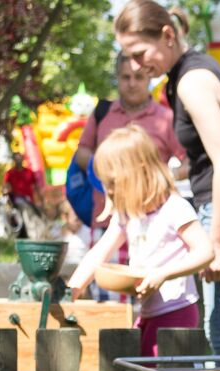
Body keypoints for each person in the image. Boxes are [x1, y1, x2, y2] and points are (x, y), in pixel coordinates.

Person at [115, 0, 220, 354]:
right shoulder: (183, 77)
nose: (137, 65)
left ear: (167, 35)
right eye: (129, 57)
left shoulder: (192, 81)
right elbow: (206, 159)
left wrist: (216, 243)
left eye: (140, 53)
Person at [67, 125, 214, 357]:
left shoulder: (174, 208)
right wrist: (71, 290)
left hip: (176, 311)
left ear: (139, 172)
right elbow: (99, 253)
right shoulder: (129, 213)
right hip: (148, 311)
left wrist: (163, 274)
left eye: (114, 184)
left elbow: (205, 252)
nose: (111, 192)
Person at [76, 52, 187, 235]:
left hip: (152, 223)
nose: (132, 83)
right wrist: (109, 169)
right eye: (126, 77)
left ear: (149, 78)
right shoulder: (103, 113)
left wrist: (160, 176)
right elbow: (81, 152)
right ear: (117, 77)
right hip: (107, 220)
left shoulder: (166, 118)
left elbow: (189, 162)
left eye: (139, 77)